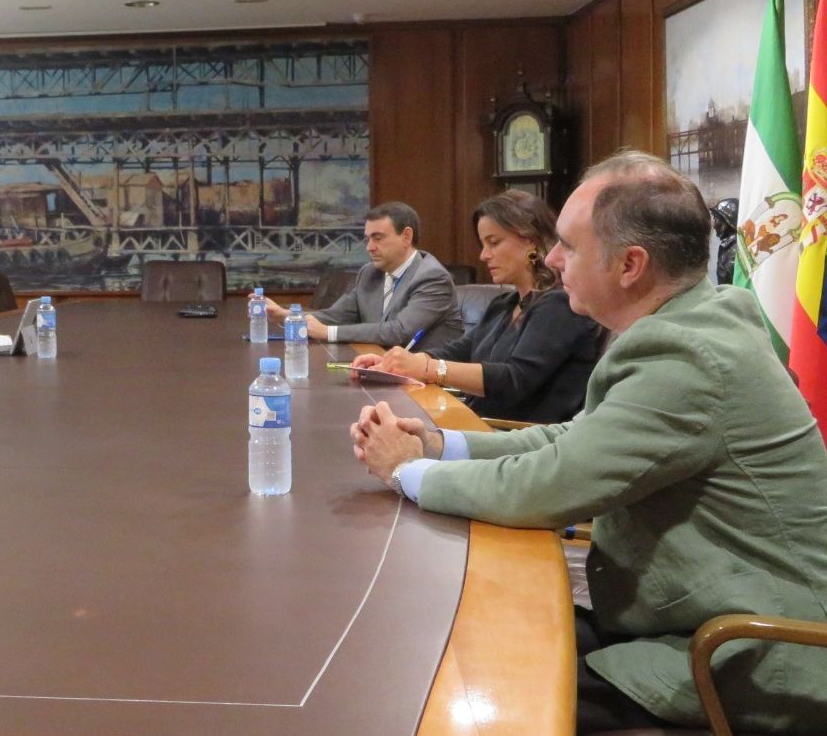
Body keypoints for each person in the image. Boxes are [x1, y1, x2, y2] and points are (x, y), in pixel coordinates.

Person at [349, 151, 827, 733]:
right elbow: (577, 438)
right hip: (690, 616)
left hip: (752, 653)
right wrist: (439, 444)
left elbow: (551, 484)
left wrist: (406, 471)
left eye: (569, 247)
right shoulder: (690, 325)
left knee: (482, 690)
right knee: (479, 637)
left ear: (630, 265)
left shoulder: (688, 356)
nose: (551, 259)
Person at [351, 190, 601, 423]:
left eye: (494, 242)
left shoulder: (560, 305)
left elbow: (515, 379)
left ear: (530, 241)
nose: (483, 255)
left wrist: (427, 368)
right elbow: (458, 351)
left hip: (516, 440)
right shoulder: (504, 304)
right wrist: (394, 363)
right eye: (483, 244)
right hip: (479, 425)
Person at [268, 201, 463, 349]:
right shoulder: (369, 273)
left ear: (406, 236)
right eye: (368, 239)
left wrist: (329, 333)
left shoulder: (432, 278)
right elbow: (335, 316)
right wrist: (286, 316)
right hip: (381, 368)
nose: (369, 247)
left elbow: (399, 332)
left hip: (429, 380)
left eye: (377, 238)